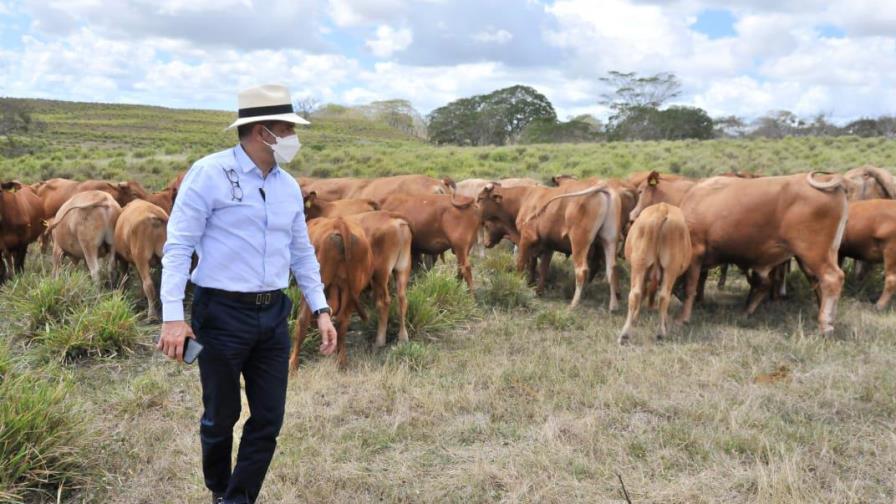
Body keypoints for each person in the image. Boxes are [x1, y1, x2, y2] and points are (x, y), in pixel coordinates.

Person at [157, 83, 337, 504]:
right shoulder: (209, 174)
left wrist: (322, 308)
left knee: (269, 418)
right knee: (221, 417)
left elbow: (302, 253)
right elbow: (179, 247)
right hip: (220, 312)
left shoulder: (288, 186)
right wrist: (172, 316)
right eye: (287, 129)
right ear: (262, 132)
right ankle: (219, 487)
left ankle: (236, 498)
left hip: (273, 313)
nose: (293, 138)